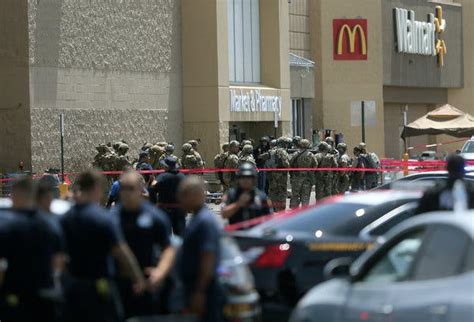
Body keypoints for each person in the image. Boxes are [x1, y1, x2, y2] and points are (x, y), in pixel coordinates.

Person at [60, 170, 146, 322]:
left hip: (72, 286)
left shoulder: (65, 218)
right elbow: (121, 252)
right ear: (97, 188)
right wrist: (138, 278)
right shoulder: (104, 219)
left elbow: (59, 257)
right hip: (99, 287)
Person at [111, 171, 176, 318]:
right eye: (124, 188)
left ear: (141, 190)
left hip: (148, 281)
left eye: (131, 188)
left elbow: (168, 248)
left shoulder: (155, 217)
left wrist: (160, 272)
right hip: (119, 282)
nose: (127, 193)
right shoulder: (111, 218)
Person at [0, 177, 64, 322]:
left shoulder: (7, 228)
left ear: (16, 195)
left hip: (17, 299)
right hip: (46, 296)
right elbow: (58, 263)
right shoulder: (51, 225)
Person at [177, 176, 224, 322]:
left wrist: (200, 292)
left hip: (205, 291)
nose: (181, 198)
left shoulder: (204, 222)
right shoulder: (197, 219)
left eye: (186, 193)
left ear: (199, 194)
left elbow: (208, 258)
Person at [155, 156, 187, 236]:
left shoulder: (162, 177)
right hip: (180, 209)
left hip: (165, 209)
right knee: (180, 235)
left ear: (166, 167)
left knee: (165, 235)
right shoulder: (182, 176)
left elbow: (154, 189)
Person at [290, 139, 317, 209]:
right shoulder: (310, 155)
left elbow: (290, 163)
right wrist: (311, 172)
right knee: (305, 195)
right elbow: (315, 165)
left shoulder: (296, 154)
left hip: (296, 177)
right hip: (307, 178)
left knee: (295, 195)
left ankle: (293, 211)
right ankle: (304, 212)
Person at [266, 138, 290, 211]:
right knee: (281, 192)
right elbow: (286, 164)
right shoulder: (282, 151)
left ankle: (271, 208)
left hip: (271, 175)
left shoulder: (271, 151)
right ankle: (280, 209)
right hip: (281, 176)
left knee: (272, 191)